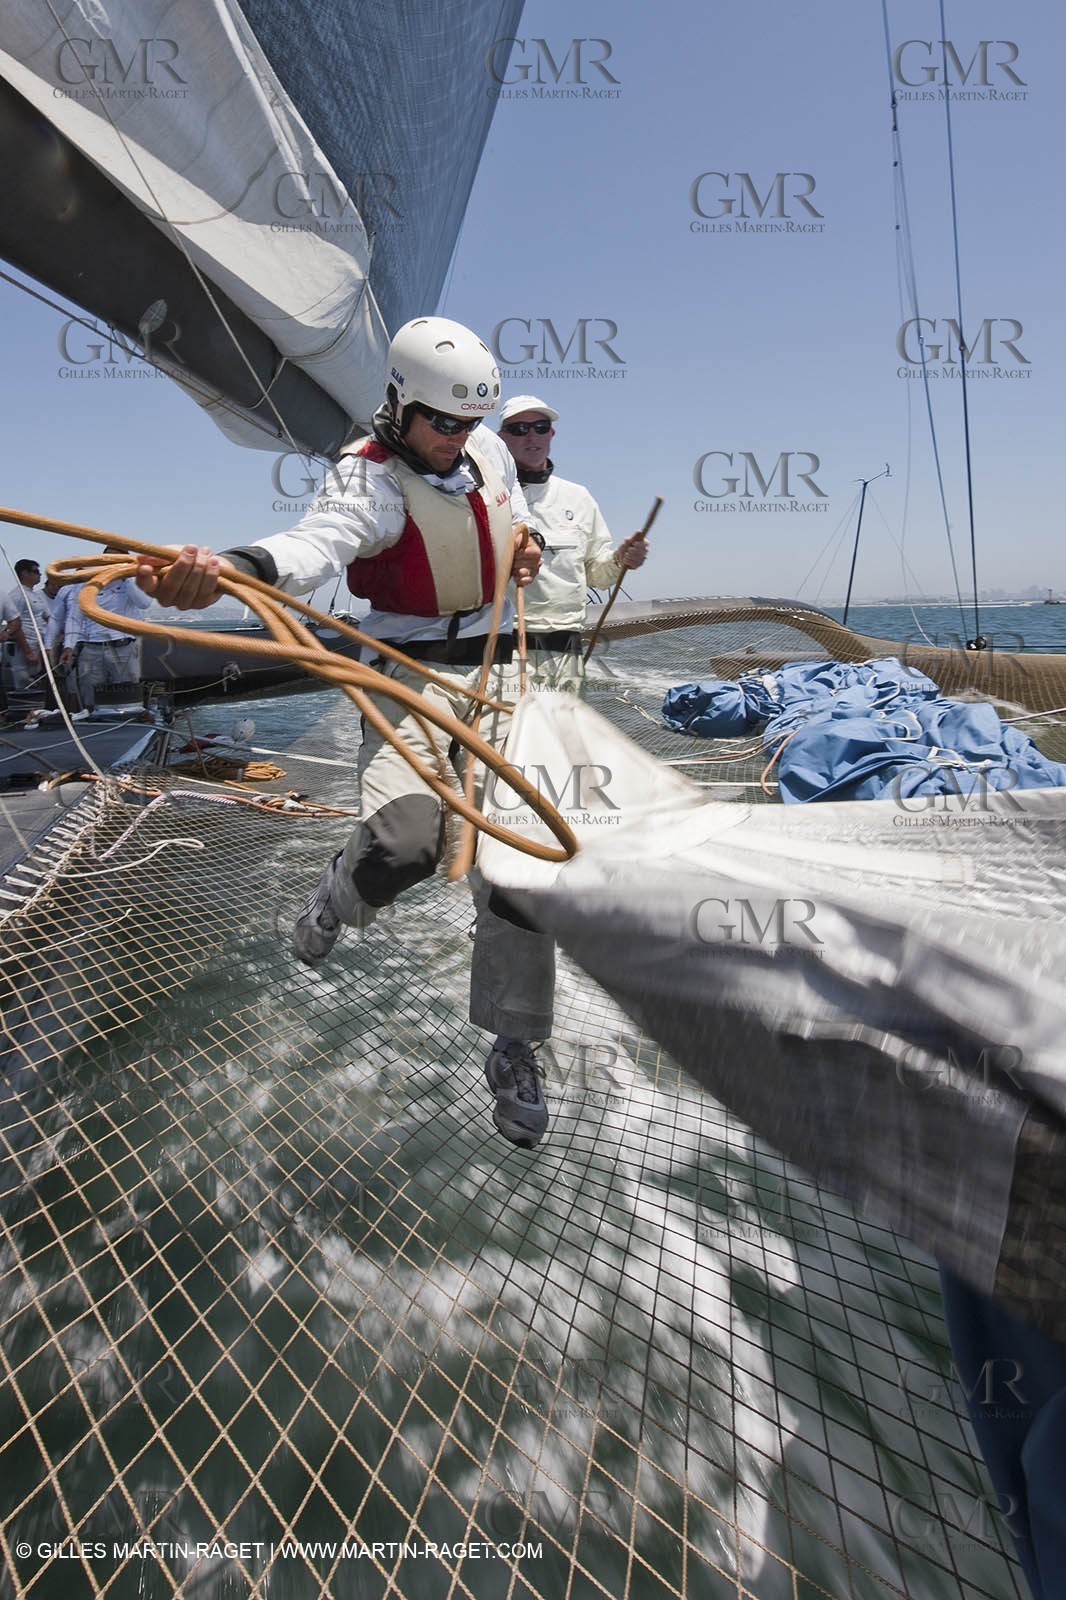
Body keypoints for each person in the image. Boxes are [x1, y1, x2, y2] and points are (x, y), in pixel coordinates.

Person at [135, 317, 554, 1149]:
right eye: (442, 423)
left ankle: (515, 1045)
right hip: (409, 680)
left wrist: (529, 542)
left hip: (498, 674)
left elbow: (510, 514)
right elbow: (316, 543)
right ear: (399, 406)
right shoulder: (368, 481)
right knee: (403, 847)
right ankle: (337, 889)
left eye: (471, 423)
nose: (456, 440)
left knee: (518, 869)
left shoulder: (489, 452)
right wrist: (229, 570)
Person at [496, 395, 648, 683]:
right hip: (505, 650)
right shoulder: (488, 498)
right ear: (500, 439)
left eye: (540, 427)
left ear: (551, 434)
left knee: (563, 730)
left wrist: (621, 559)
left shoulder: (579, 498)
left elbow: (598, 576)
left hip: (567, 652)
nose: (531, 436)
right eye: (518, 429)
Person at [58, 556, 152, 710]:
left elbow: (144, 603)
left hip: (122, 647)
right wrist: (68, 646)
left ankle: (130, 723)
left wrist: (126, 577)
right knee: (90, 694)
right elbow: (74, 617)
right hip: (91, 648)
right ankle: (92, 724)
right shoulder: (86, 584)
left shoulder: (131, 583)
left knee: (127, 695)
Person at [1, 558, 51, 694]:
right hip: (23, 646)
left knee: (36, 683)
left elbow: (48, 618)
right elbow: (15, 623)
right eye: (35, 572)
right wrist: (28, 651)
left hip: (38, 645)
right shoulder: (17, 595)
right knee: (24, 683)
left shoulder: (36, 595)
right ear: (24, 573)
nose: (40, 575)